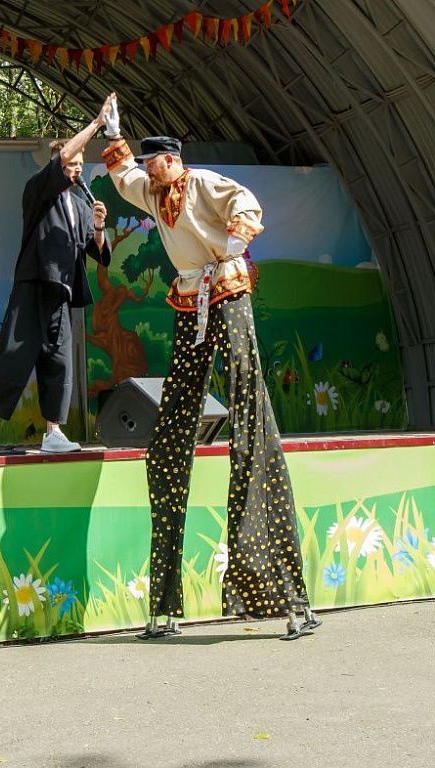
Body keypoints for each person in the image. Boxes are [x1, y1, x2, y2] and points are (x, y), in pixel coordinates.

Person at [98, 93, 320, 640]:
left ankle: (283, 595)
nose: (148, 173)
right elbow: (123, 178)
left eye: (154, 164)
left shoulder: (200, 181)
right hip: (188, 299)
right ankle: (164, 605)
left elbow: (245, 200)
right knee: (174, 419)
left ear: (171, 160)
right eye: (147, 166)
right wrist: (113, 133)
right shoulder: (154, 192)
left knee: (248, 403)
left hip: (225, 286)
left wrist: (236, 240)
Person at [0, 115, 112, 456]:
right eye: (71, 163)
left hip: (61, 292)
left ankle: (53, 432)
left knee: (58, 361)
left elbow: (99, 255)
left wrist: (98, 227)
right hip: (34, 284)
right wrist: (96, 124)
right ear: (57, 164)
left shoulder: (81, 205)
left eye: (80, 164)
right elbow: (64, 158)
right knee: (14, 355)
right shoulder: (39, 190)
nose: (76, 168)